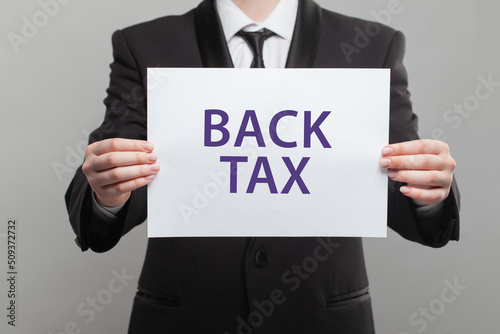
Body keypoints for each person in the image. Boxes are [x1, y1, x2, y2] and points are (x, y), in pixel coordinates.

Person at [65, 0, 460, 333]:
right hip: (188, 316)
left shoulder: (373, 46)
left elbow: (403, 194)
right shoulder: (144, 44)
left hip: (321, 317)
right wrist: (106, 194)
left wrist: (431, 191)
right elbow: (108, 183)